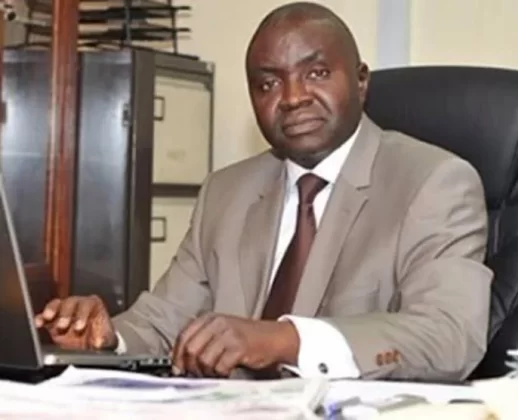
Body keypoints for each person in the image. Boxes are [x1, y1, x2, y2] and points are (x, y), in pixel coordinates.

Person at [34, 1, 492, 381]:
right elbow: (162, 321)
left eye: (316, 73)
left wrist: (283, 340)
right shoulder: (226, 191)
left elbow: (450, 336)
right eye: (268, 83)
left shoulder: (433, 182)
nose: (292, 97)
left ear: (360, 80)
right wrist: (107, 339)